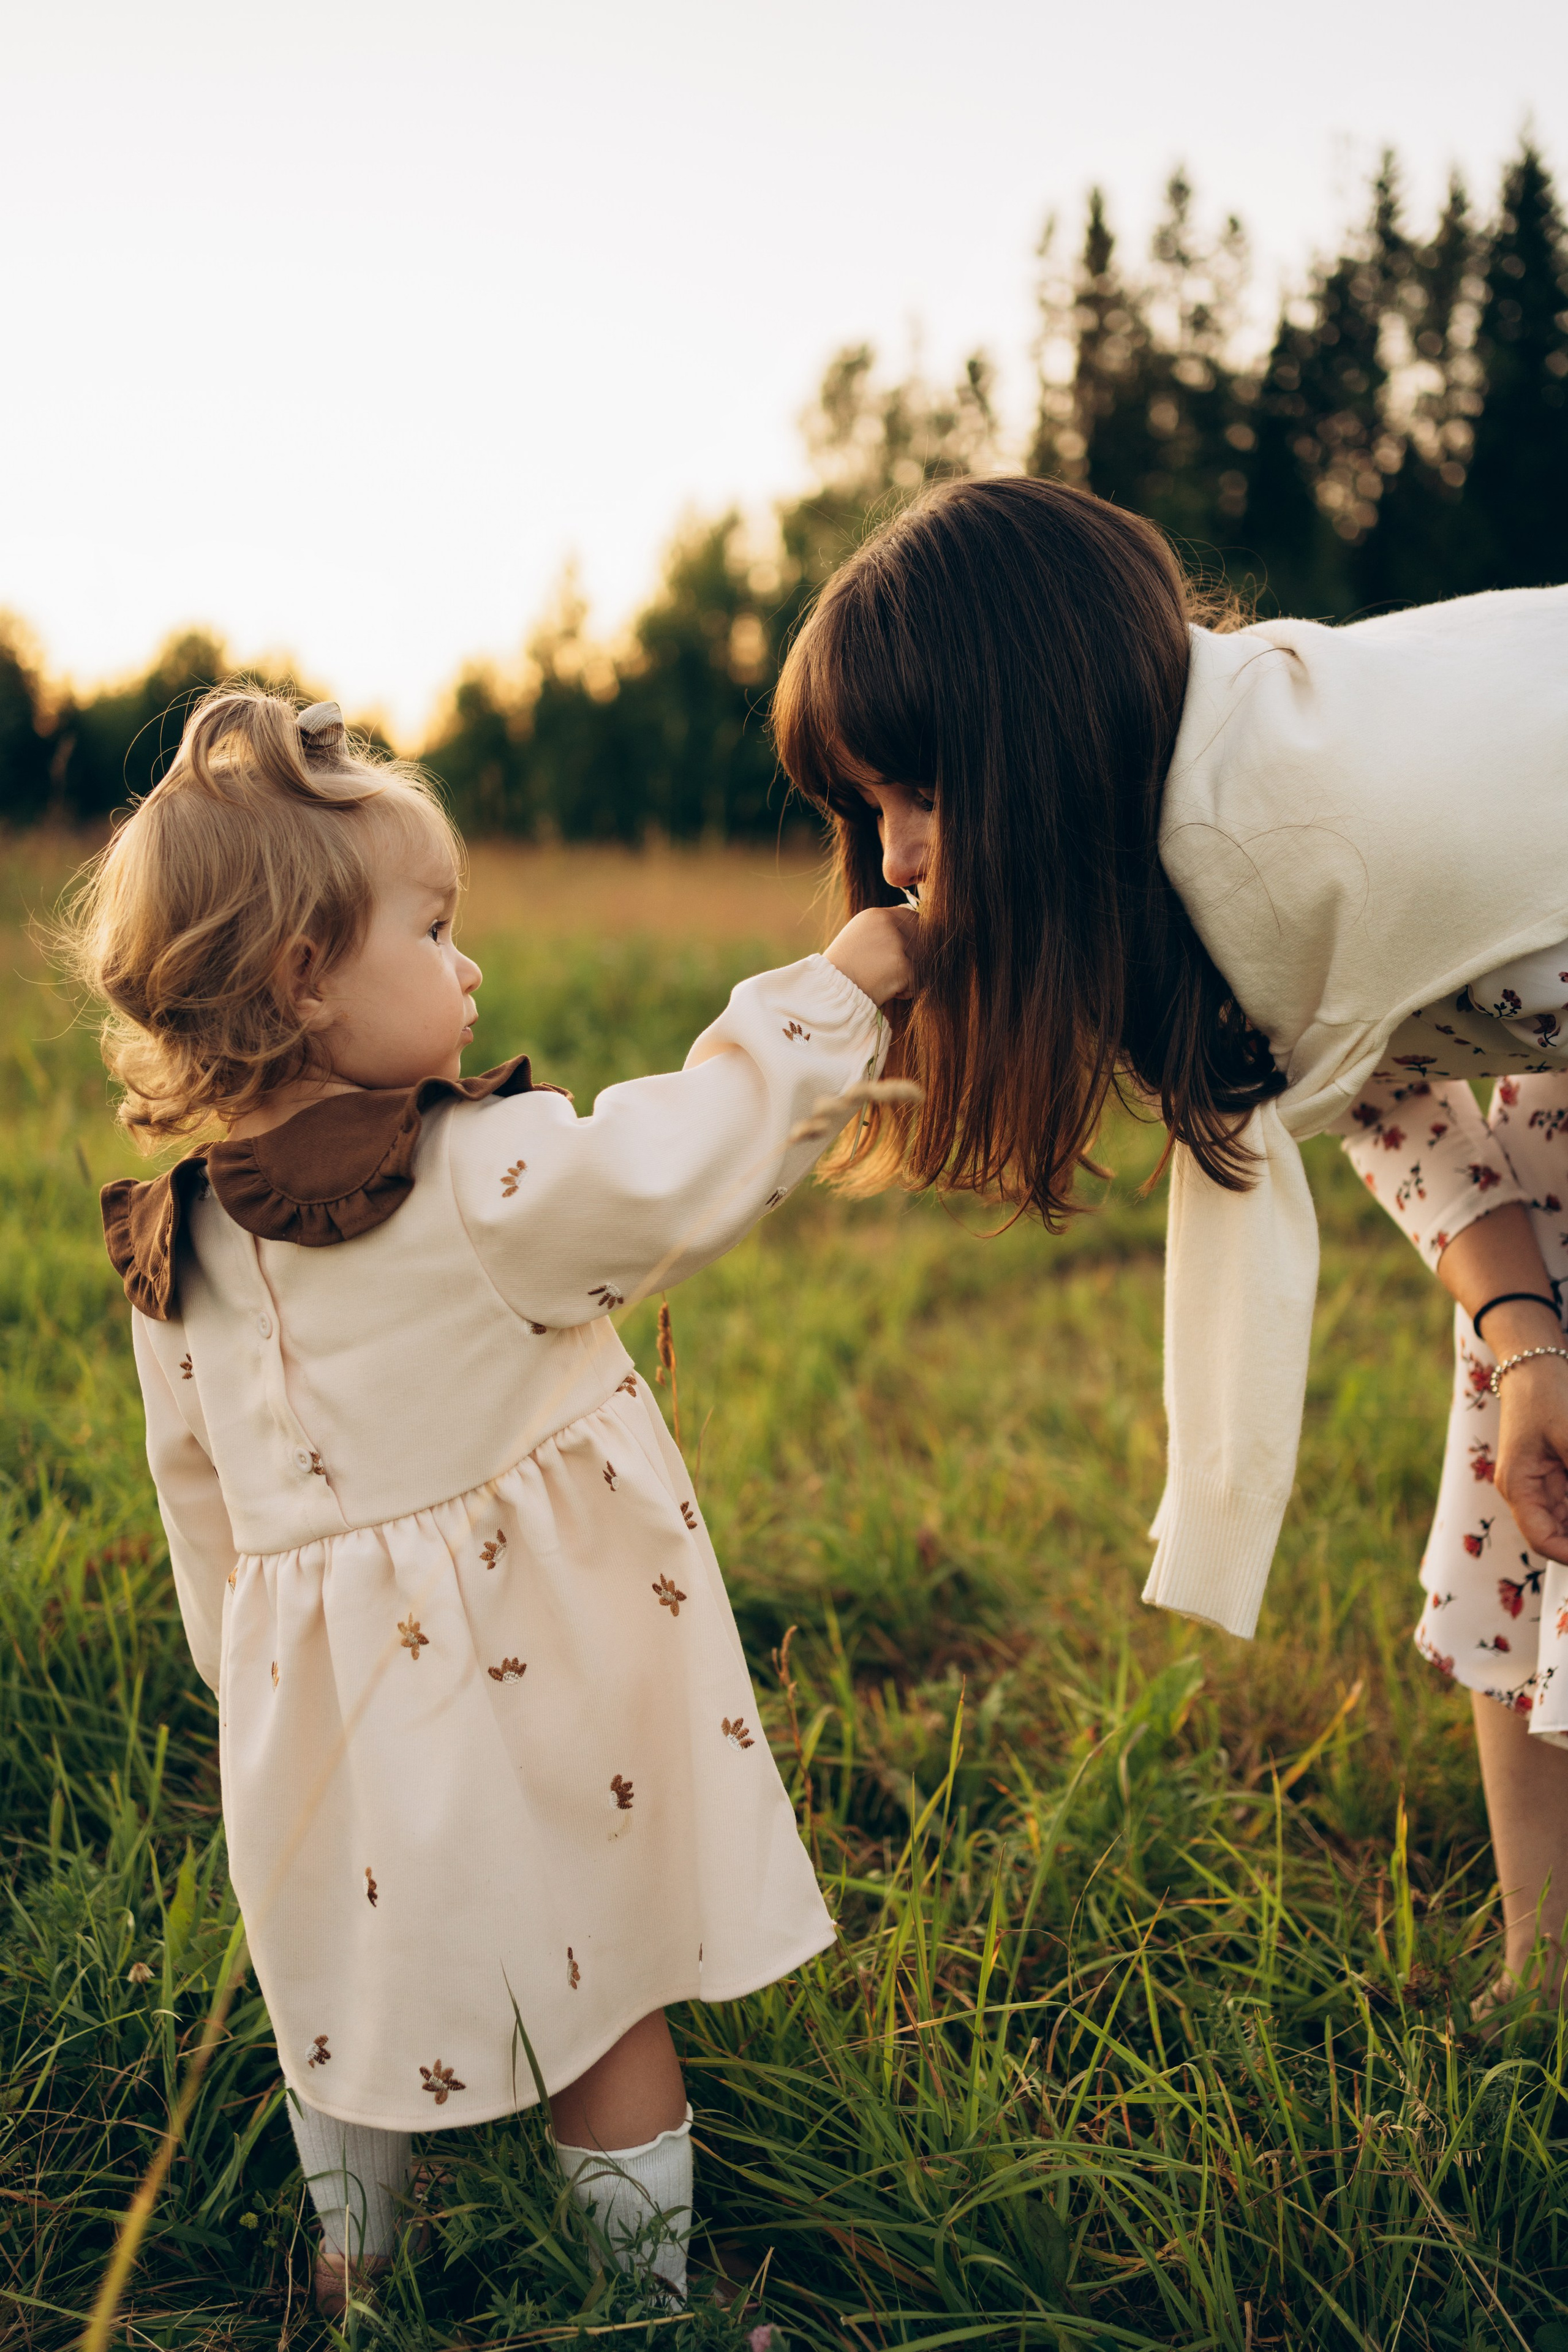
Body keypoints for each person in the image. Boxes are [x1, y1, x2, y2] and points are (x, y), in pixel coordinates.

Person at [64, 688, 914, 2314]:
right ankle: (647, 2297)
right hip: (548, 1691)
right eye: (433, 930)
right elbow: (679, 1156)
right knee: (604, 1986)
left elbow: (205, 1518)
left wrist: (245, 1684)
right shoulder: (481, 1178)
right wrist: (841, 989)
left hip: (319, 1712)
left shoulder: (171, 1254)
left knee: (350, 1983)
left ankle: (354, 2265)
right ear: (310, 979)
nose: (467, 967)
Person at [770, 472, 1568, 2006]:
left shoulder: (1328, 820)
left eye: (915, 798)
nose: (892, 863)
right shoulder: (1209, 859)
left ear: (1036, 751)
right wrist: (1517, 1323)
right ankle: (1540, 1970)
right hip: (1541, 1073)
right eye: (869, 811)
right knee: (1517, 1485)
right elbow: (1375, 1085)